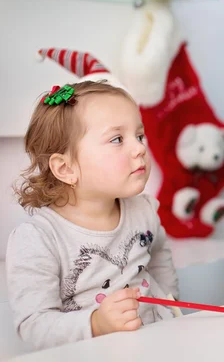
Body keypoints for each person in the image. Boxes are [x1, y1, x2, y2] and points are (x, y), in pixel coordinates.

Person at [6, 81, 179, 350]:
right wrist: (96, 324)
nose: (140, 149)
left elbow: (158, 256)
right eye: (117, 139)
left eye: (140, 136)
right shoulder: (38, 239)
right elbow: (33, 325)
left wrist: (172, 304)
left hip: (160, 346)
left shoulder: (144, 210)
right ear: (65, 168)